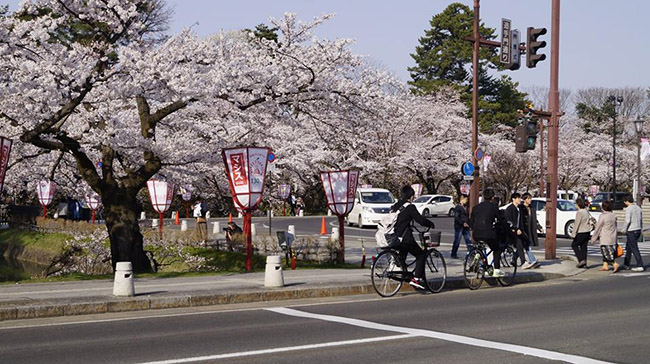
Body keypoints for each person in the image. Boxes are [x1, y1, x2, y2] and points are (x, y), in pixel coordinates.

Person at [391, 185, 435, 290]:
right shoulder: (410, 207)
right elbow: (420, 220)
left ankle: (403, 274)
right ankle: (416, 278)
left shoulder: (395, 206)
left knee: (402, 255)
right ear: (411, 196)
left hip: (394, 237)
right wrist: (430, 224)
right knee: (420, 255)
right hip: (405, 238)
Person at [470, 188, 506, 277]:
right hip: (488, 234)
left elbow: (471, 222)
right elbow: (501, 220)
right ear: (492, 197)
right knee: (496, 249)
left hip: (476, 234)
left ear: (483, 197)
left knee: (481, 247)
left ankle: (478, 256)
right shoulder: (493, 207)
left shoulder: (476, 208)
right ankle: (496, 270)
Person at [590, 200, 620, 273]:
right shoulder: (614, 216)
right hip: (612, 236)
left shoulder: (603, 216)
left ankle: (614, 264)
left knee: (605, 252)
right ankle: (605, 266)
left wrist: (593, 238)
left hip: (605, 236)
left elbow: (598, 227)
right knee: (610, 251)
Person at [504, 193, 526, 267]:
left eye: (520, 198)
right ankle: (523, 262)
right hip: (511, 231)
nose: (520, 200)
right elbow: (509, 221)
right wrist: (515, 229)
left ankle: (514, 259)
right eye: (518, 198)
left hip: (518, 230)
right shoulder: (510, 209)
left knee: (522, 244)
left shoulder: (519, 208)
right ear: (513, 199)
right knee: (519, 244)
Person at [621, 196, 644, 271]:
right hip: (637, 229)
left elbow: (627, 220)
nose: (625, 203)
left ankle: (640, 265)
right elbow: (641, 219)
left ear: (627, 201)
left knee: (634, 248)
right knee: (629, 248)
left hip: (631, 230)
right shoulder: (638, 208)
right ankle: (626, 263)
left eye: (625, 201)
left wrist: (624, 229)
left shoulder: (629, 209)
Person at [520, 193, 540, 269]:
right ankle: (533, 260)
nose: (530, 200)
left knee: (523, 246)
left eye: (530, 198)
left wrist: (538, 227)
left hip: (530, 229)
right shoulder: (521, 208)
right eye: (528, 198)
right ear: (524, 199)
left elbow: (534, 219)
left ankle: (514, 259)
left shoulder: (532, 208)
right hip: (523, 229)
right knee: (527, 245)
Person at [571, 198, 593, 268]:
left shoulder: (579, 212)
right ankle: (585, 263)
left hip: (581, 231)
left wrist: (573, 234)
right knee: (584, 247)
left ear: (578, 204)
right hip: (587, 231)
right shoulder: (586, 211)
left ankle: (581, 260)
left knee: (574, 245)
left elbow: (576, 224)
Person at [450, 194, 472, 259]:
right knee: (457, 240)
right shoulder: (458, 207)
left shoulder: (466, 207)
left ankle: (471, 252)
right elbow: (457, 217)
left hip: (466, 226)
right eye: (466, 199)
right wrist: (463, 223)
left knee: (468, 240)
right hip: (459, 226)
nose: (467, 201)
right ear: (462, 199)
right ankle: (453, 253)